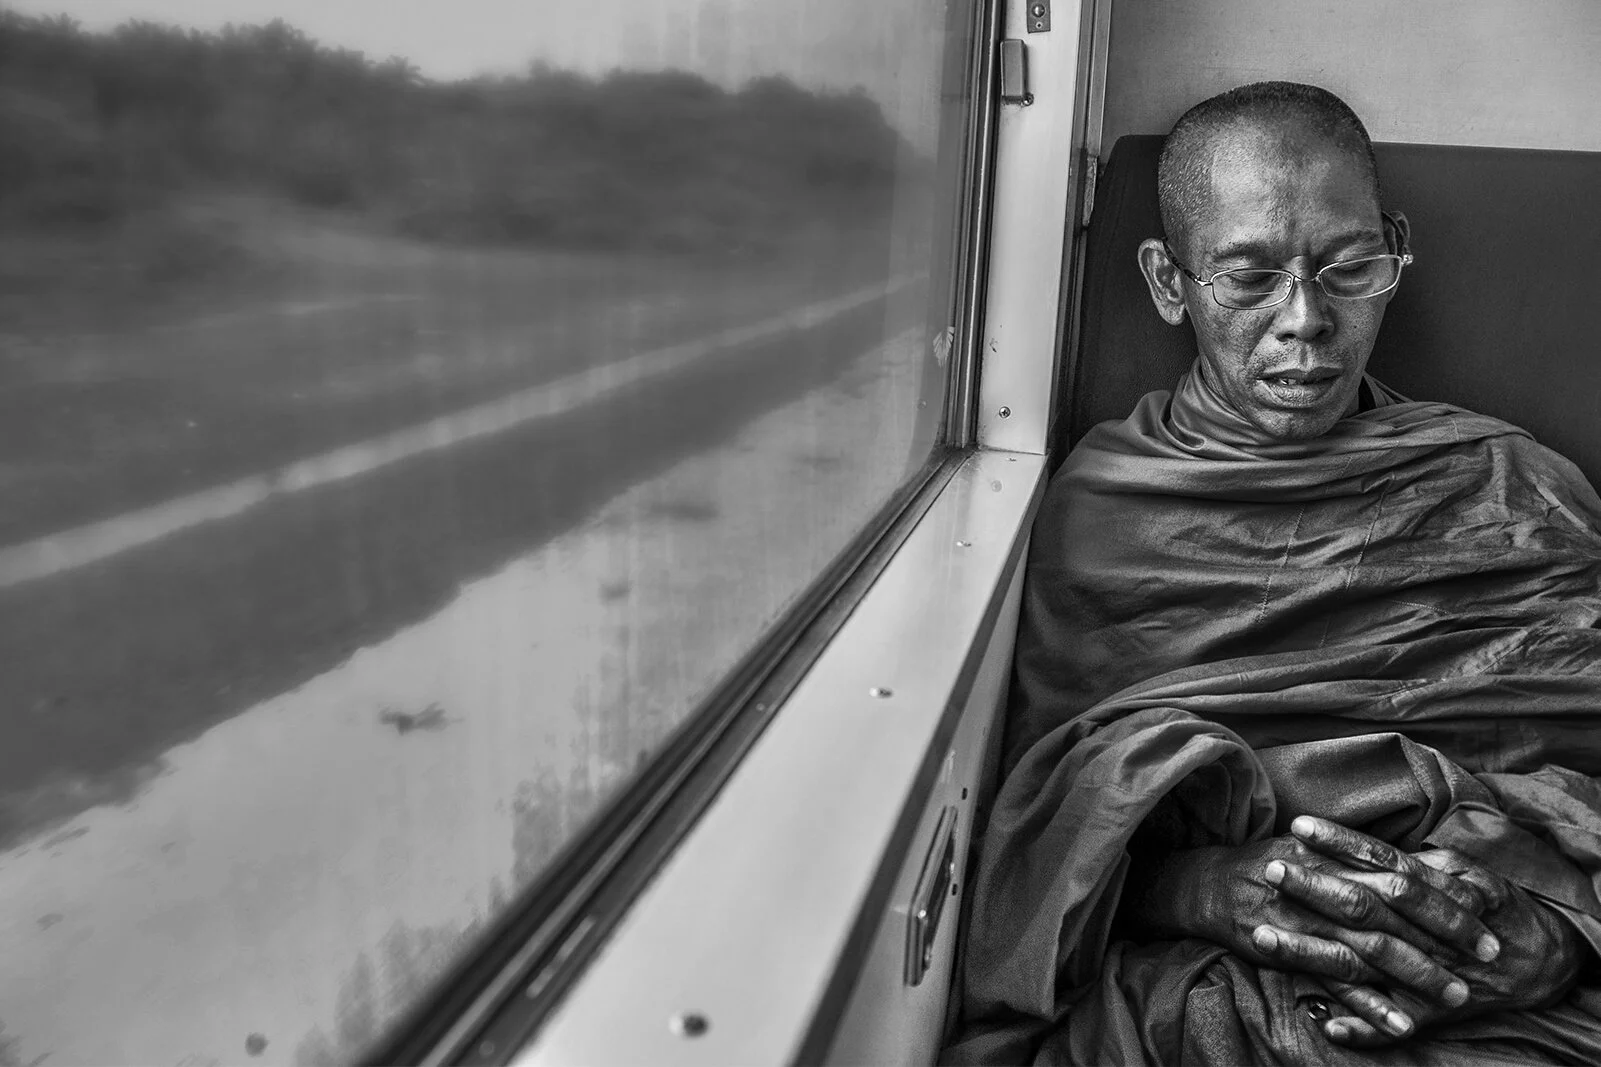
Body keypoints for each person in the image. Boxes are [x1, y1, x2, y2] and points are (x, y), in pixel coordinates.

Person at [946, 82, 1601, 1065]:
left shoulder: (1508, 483)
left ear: (1394, 248)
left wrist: (1558, 931)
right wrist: (1199, 887)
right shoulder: (1101, 520)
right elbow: (1041, 834)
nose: (1305, 319)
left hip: (1504, 978)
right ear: (1170, 282)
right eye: (1247, 278)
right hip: (1223, 970)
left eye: (1347, 267)